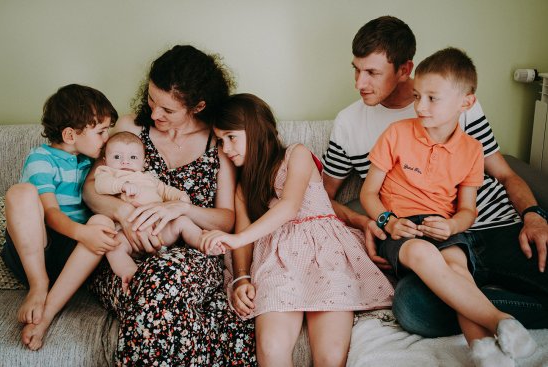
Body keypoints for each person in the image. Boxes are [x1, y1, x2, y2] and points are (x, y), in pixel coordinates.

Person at [322, 15, 548, 337]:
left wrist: (533, 215)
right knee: (412, 308)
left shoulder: (455, 100)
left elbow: (506, 174)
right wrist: (366, 221)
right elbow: (322, 194)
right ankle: (486, 309)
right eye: (356, 70)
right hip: (424, 238)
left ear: (404, 70)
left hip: (494, 227)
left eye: (372, 72)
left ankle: (474, 306)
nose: (359, 83)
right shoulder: (350, 123)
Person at [83, 45, 256, 366]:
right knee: (160, 292)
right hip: (125, 258)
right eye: (151, 100)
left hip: (191, 260)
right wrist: (124, 214)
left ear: (198, 106)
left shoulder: (216, 143)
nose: (155, 114)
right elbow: (91, 190)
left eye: (168, 109)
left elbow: (227, 219)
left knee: (164, 279)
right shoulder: (131, 128)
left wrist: (183, 209)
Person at [362, 47, 536, 366]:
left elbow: (468, 211)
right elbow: (368, 193)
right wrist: (387, 221)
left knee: (458, 271)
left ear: (466, 103)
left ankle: (483, 350)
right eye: (417, 96)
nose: (420, 106)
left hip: (442, 225)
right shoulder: (397, 134)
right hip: (401, 227)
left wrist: (453, 226)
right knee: (420, 253)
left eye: (432, 98)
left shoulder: (472, 150)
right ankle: (501, 320)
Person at [199, 93, 393, 367]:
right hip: (278, 262)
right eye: (220, 141)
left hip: (325, 255)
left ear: (255, 129)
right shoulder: (244, 186)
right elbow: (243, 232)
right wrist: (241, 278)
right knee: (271, 348)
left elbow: (290, 206)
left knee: (330, 355)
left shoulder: (297, 154)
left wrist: (236, 238)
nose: (226, 148)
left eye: (231, 137)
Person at [0, 84, 118, 350]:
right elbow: (51, 214)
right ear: (69, 134)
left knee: (103, 223)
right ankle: (38, 284)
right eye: (101, 131)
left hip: (72, 262)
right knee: (21, 192)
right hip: (36, 249)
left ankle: (47, 314)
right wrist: (82, 232)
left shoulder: (92, 163)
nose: (107, 138)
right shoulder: (41, 158)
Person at [94, 131, 221, 292]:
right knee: (113, 247)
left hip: (160, 230)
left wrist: (180, 196)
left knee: (182, 222)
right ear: (105, 160)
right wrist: (121, 185)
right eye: (117, 157)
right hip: (128, 235)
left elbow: (166, 191)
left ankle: (203, 242)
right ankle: (128, 271)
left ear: (144, 162)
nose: (125, 161)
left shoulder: (149, 178)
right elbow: (100, 185)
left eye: (133, 158)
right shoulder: (107, 173)